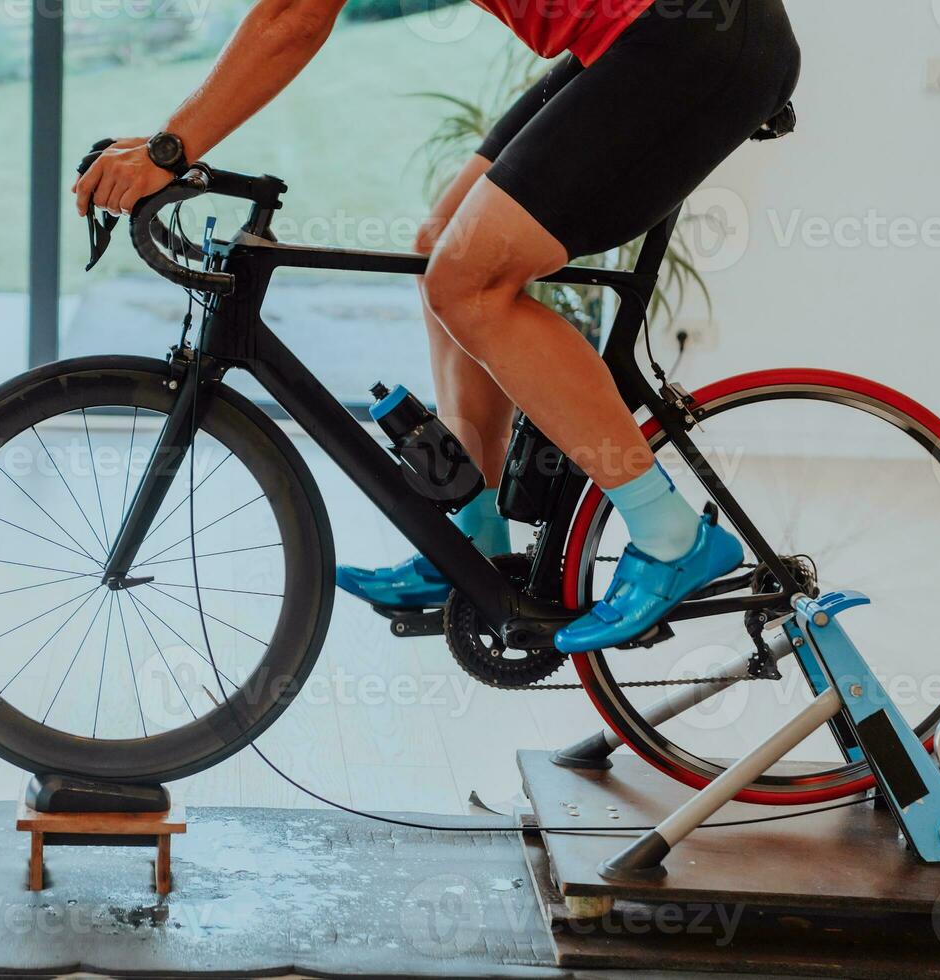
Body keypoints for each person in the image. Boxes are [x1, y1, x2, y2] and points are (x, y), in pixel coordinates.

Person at [73, 0, 801, 653]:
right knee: (441, 247)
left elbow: (293, 17)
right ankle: (476, 540)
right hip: (635, 39)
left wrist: (170, 150)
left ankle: (669, 533)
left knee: (472, 283)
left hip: (689, 36)